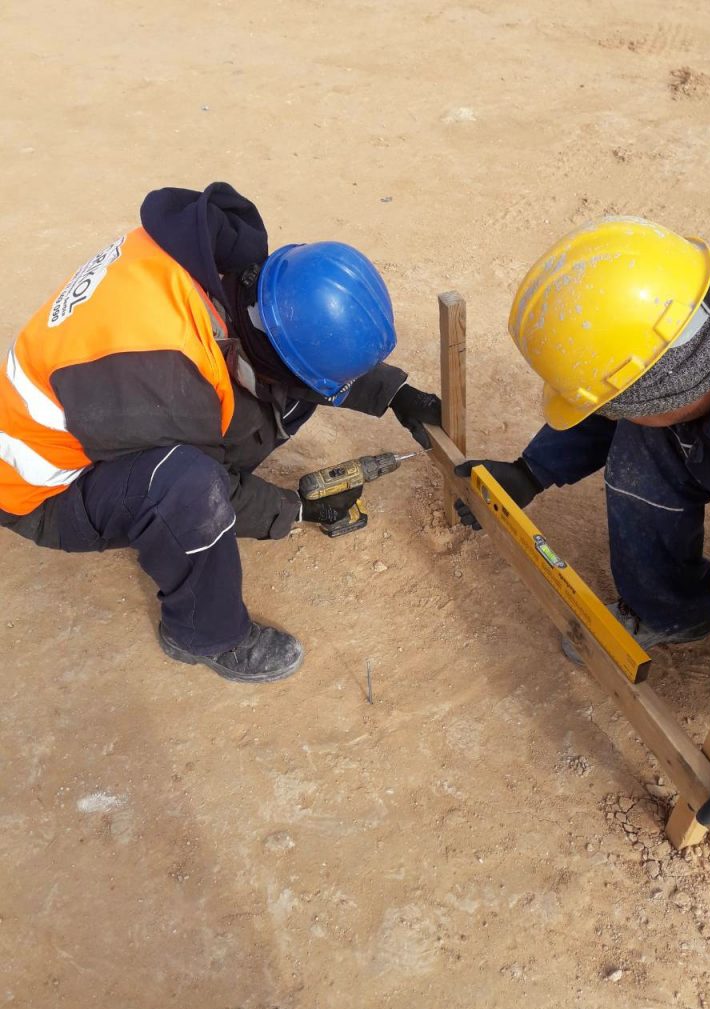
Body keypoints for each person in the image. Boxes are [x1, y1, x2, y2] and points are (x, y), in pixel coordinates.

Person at [0, 183, 441, 684]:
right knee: (187, 486)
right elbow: (217, 489)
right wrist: (297, 510)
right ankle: (203, 634)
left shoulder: (218, 260)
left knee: (277, 387)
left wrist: (397, 394)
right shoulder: (164, 379)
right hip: (43, 493)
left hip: (103, 405)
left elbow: (299, 333)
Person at [453, 216, 710, 832]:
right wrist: (531, 471)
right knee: (645, 444)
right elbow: (633, 389)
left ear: (669, 393)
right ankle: (670, 611)